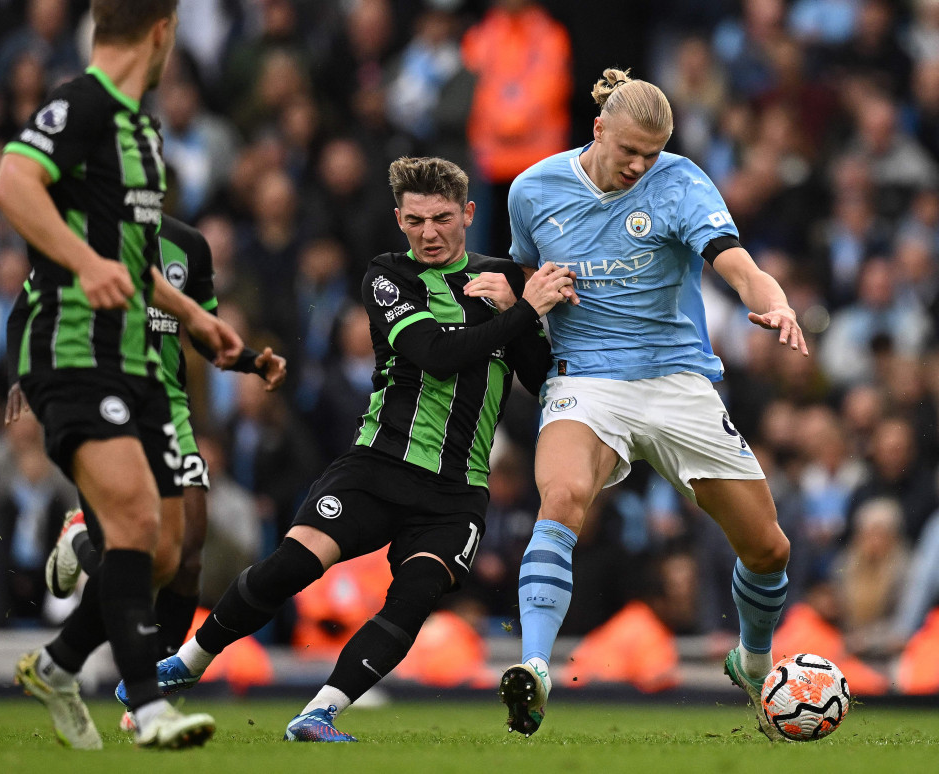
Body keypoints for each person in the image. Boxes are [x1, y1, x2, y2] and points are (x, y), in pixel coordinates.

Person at [116, 156, 575, 741]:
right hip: (378, 464)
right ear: (398, 220)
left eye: (440, 219)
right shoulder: (389, 276)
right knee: (293, 565)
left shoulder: (505, 281)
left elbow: (538, 377)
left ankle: (319, 712)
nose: (428, 233)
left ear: (468, 213)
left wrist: (517, 310)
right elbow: (434, 353)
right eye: (414, 221)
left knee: (413, 600)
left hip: (458, 490)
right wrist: (526, 310)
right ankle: (186, 664)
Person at [498, 67, 807, 742]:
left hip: (675, 379)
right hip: (589, 379)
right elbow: (526, 273)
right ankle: (534, 668)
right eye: (629, 151)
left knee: (767, 547)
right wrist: (538, 292)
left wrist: (774, 302)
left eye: (652, 153)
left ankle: (753, 663)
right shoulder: (532, 190)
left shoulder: (681, 180)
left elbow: (734, 261)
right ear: (598, 128)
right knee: (563, 498)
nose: (640, 166)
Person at [0, 0, 243, 750]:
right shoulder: (84, 102)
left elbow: (135, 261)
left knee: (164, 551)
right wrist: (84, 261)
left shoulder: (139, 129)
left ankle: (60, 664)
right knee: (134, 525)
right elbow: (11, 185)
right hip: (73, 349)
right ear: (163, 32)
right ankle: (149, 707)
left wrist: (193, 317)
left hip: (138, 361)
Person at [5, 215, 287, 726]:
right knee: (138, 553)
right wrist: (18, 374)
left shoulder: (190, 247)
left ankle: (151, 690)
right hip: (102, 396)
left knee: (188, 556)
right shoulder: (85, 231)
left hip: (167, 402)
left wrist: (248, 360)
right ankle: (137, 696)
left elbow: (202, 331)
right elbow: (28, 305)